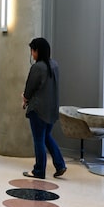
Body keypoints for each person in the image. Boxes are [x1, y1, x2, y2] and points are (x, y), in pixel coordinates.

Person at [22, 37, 67, 179]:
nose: (31, 54)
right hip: (51, 109)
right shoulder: (54, 65)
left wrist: (25, 99)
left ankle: (39, 170)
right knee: (46, 136)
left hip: (38, 109)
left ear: (37, 51)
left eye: (32, 51)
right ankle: (60, 165)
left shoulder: (37, 67)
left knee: (38, 140)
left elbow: (29, 89)